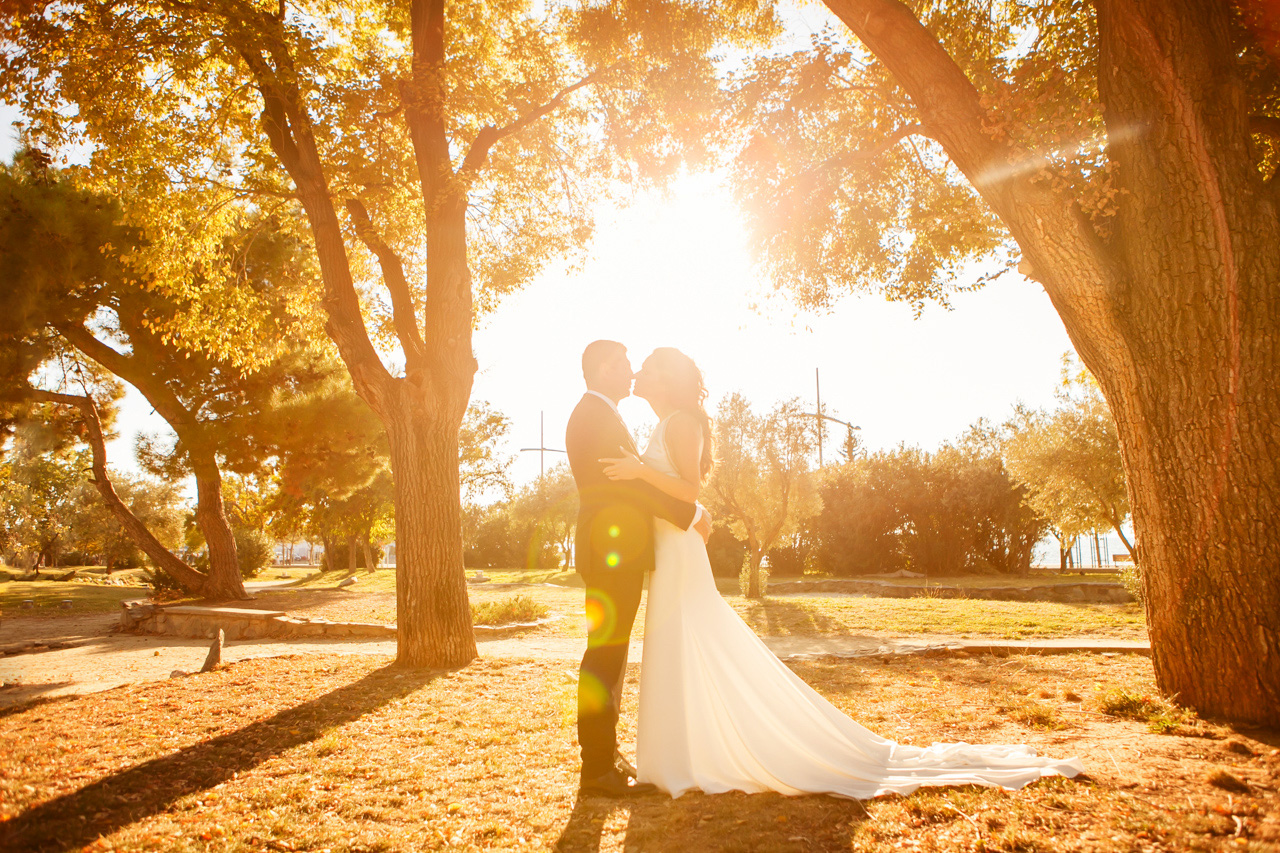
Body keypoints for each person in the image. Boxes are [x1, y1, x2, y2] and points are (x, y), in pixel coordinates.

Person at [601, 347, 1084, 799]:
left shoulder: (682, 422)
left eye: (645, 367)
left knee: (693, 635)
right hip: (669, 551)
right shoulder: (664, 421)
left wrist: (641, 475)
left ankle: (695, 756)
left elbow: (686, 490)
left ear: (667, 380)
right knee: (679, 641)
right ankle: (681, 754)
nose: (638, 373)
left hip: (681, 553)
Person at [565, 340, 711, 798]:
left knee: (610, 654)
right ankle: (597, 771)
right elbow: (630, 489)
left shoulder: (602, 414)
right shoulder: (595, 416)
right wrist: (691, 514)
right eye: (625, 364)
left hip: (617, 550)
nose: (630, 371)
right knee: (605, 655)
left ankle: (604, 759)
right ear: (604, 368)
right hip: (612, 552)